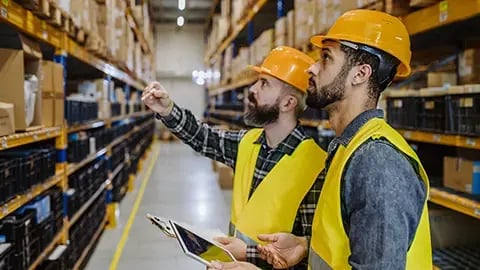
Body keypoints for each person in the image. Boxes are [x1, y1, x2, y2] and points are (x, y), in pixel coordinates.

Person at [210, 9, 432, 270]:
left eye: (326, 58)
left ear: (360, 74)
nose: (312, 67)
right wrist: (305, 246)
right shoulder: (347, 148)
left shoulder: (377, 162)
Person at [142, 46, 327, 269]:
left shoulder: (315, 166)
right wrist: (168, 110)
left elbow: (310, 256)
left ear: (288, 103)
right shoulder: (248, 143)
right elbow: (203, 137)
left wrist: (248, 254)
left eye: (264, 84)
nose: (252, 89)